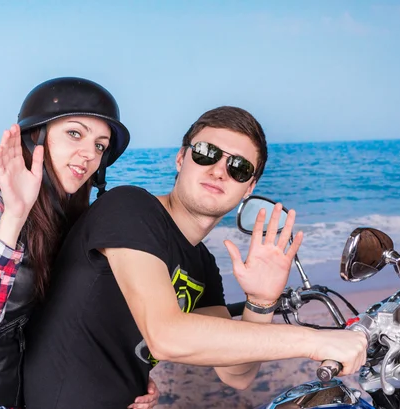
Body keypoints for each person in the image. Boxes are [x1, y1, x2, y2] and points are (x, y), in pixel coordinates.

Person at [23, 105, 369, 409]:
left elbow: (237, 374)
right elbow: (167, 335)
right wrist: (314, 339)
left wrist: (261, 303)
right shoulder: (129, 208)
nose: (219, 170)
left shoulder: (202, 264)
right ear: (180, 158)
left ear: (248, 188)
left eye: (239, 167)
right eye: (206, 153)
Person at [0, 77, 159, 409]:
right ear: (37, 135)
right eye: (75, 133)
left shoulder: (63, 215)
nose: (89, 154)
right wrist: (14, 217)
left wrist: (128, 376)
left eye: (100, 145)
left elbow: (73, 321)